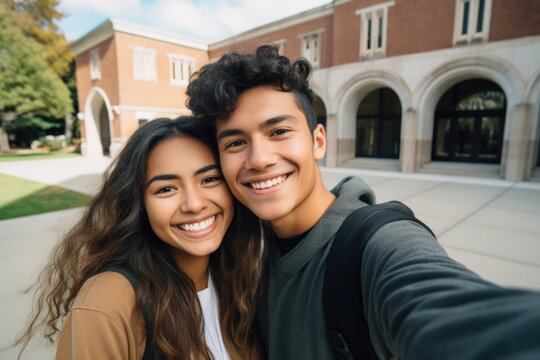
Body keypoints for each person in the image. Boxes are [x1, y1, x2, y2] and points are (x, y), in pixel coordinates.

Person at [186, 45, 540, 360]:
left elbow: (453, 314)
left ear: (318, 141)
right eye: (235, 143)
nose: (259, 159)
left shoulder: (382, 246)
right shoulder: (246, 244)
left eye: (278, 132)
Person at [16, 117, 262, 359]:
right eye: (166, 189)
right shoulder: (108, 303)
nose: (195, 204)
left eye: (209, 179)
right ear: (139, 204)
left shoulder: (241, 276)